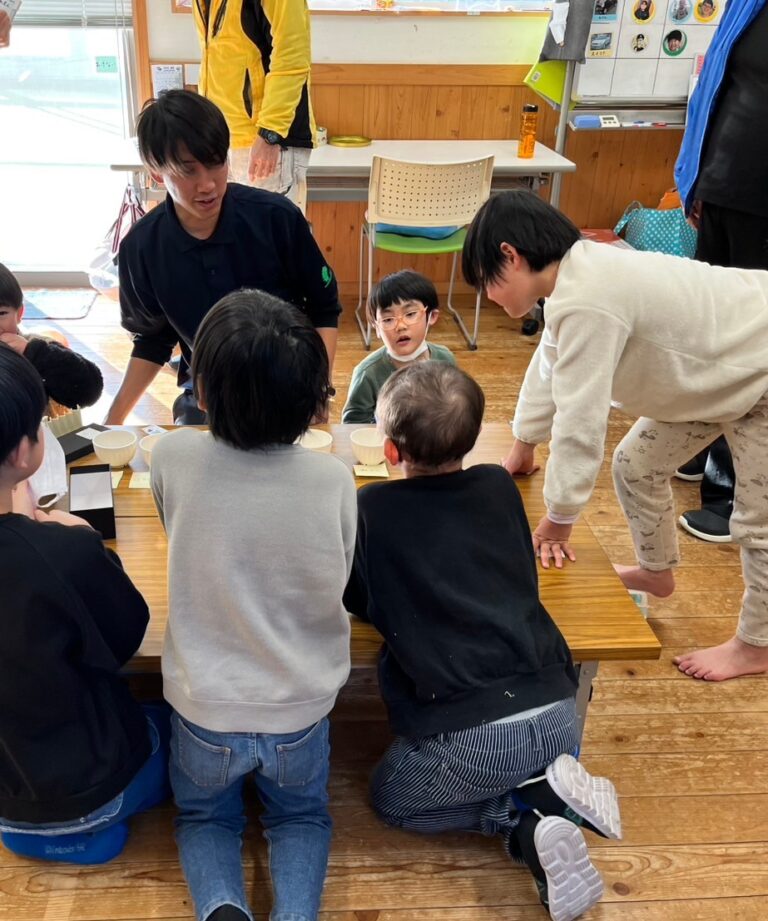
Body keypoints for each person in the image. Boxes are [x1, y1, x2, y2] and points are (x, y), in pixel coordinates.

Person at [343, 361, 621, 921]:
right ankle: (544, 799)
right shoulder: (498, 483)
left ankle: (522, 812)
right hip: (558, 708)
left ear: (390, 452)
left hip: (472, 732)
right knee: (515, 757)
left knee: (392, 802)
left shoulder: (372, 508)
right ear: (471, 438)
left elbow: (358, 601)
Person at [461, 190, 768, 683]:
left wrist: (559, 519)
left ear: (510, 256)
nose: (489, 297)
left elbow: (580, 420)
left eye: (486, 284)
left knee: (757, 521)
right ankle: (655, 573)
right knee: (636, 465)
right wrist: (523, 445)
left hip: (758, 368)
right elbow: (549, 366)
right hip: (715, 373)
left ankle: (756, 646)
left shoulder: (588, 297)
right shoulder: (573, 278)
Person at [151, 290, 356, 921]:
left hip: (203, 706)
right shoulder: (334, 478)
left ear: (202, 392)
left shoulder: (172, 456)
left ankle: (221, 909)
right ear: (313, 401)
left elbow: (174, 522)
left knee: (205, 819)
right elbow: (342, 566)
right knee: (300, 818)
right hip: (300, 707)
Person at [0, 343, 169, 865]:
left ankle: (39, 834)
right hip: (94, 789)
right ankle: (85, 831)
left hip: (8, 799)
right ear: (23, 453)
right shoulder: (62, 553)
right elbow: (128, 635)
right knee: (169, 723)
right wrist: (83, 542)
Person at [105, 89, 340, 426]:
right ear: (156, 172)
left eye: (216, 163)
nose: (208, 185)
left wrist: (319, 391)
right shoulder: (141, 248)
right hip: (207, 395)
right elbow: (152, 340)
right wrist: (112, 421)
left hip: (287, 384)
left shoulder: (277, 218)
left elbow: (324, 306)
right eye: (188, 171)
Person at [674, 0, 768, 543]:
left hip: (762, 203)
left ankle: (732, 494)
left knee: (747, 349)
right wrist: (699, 180)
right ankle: (700, 446)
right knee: (706, 333)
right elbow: (718, 86)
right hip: (725, 185)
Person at [193, 0, 314, 208]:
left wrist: (269, 133)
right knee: (231, 228)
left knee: (271, 228)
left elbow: (291, 58)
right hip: (222, 141)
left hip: (266, 142)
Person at [342, 270, 455, 424]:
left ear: (432, 316)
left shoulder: (445, 359)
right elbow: (352, 423)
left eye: (410, 314)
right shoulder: (368, 374)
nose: (400, 326)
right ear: (376, 327)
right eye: (388, 319)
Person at [0, 262, 103, 412]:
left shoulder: (36, 347)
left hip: (40, 426)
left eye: (1, 313)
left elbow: (89, 392)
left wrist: (35, 353)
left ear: (19, 313)